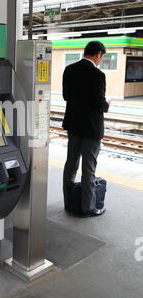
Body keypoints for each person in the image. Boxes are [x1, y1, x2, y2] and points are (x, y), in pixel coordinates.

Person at [62, 41, 111, 217]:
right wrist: (107, 104)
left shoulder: (69, 69)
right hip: (91, 129)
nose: (100, 60)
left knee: (71, 165)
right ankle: (88, 207)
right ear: (98, 54)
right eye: (101, 57)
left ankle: (69, 203)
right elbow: (99, 104)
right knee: (89, 168)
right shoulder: (98, 75)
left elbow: (66, 96)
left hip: (74, 126)